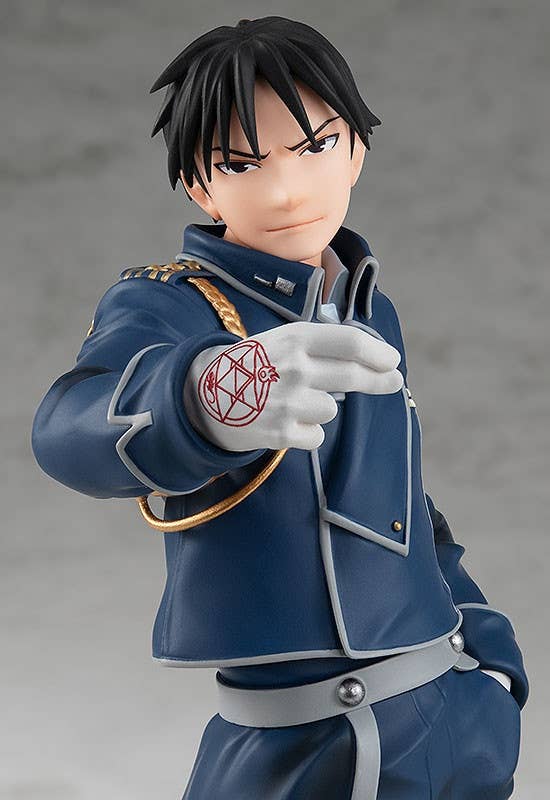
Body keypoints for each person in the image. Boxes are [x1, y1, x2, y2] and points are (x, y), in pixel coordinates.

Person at [32, 16, 528, 799]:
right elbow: (67, 426)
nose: (287, 189)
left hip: (450, 716)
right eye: (241, 162)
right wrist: (206, 397)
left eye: (316, 146)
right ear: (200, 186)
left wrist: (493, 664)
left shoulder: (372, 307)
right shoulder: (173, 306)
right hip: (292, 740)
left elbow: (408, 505)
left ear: (357, 150)